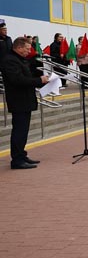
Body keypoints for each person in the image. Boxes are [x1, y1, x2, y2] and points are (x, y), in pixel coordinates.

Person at [2, 37, 49, 169]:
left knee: (23, 130)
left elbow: (27, 77)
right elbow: (18, 80)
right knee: (19, 130)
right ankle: (17, 160)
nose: (29, 52)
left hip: (25, 99)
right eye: (27, 49)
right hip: (18, 100)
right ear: (19, 47)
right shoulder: (9, 60)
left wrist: (41, 79)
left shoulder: (19, 59)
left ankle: (21, 155)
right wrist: (39, 81)